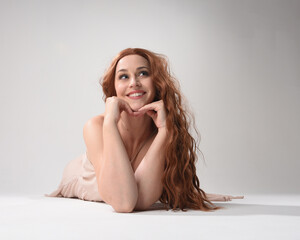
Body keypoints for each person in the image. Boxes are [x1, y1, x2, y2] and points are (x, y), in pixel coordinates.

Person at [46, 48, 244, 212]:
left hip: (127, 186)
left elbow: (139, 200)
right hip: (78, 177)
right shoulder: (96, 126)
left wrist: (165, 130)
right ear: (113, 89)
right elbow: (124, 203)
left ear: (157, 84)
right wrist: (110, 124)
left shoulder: (160, 132)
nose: (134, 82)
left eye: (143, 73)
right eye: (124, 76)